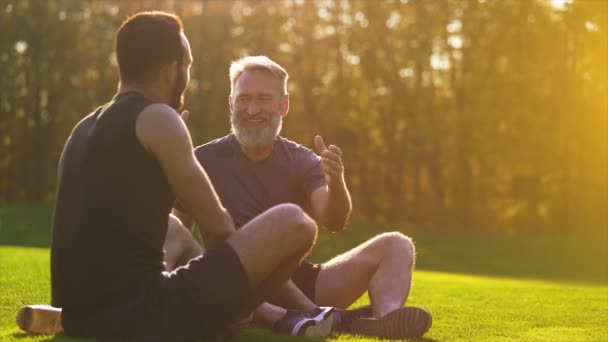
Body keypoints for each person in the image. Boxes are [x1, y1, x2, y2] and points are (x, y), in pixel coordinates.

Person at [22, 12, 335, 340]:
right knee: (294, 223)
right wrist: (236, 282)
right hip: (140, 317)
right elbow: (217, 227)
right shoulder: (158, 118)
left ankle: (276, 316)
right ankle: (236, 319)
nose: (187, 75)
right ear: (171, 70)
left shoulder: (83, 128)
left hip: (79, 315)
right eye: (187, 65)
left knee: (172, 227)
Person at [170, 55, 432, 339]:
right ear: (231, 104)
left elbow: (333, 219)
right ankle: (328, 317)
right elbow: (175, 231)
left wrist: (336, 183)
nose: (253, 109)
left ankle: (384, 320)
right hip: (233, 282)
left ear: (283, 105)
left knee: (397, 244)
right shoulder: (202, 158)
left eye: (264, 99)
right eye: (244, 99)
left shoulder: (301, 160)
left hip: (299, 281)